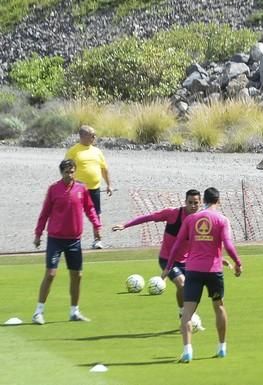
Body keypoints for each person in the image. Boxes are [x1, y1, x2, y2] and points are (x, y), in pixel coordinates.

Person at [163, 187, 242, 363]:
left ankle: (187, 351)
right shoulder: (222, 219)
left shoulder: (191, 219)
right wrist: (238, 263)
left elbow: (176, 245)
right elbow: (228, 245)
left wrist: (169, 265)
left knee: (187, 313)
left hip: (193, 271)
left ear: (203, 200)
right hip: (214, 271)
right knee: (219, 307)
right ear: (218, 201)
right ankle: (222, 348)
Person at [32, 159, 102, 325]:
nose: (69, 175)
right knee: (50, 274)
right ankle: (38, 312)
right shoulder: (54, 189)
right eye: (66, 172)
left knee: (77, 275)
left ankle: (74, 311)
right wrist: (38, 233)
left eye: (72, 172)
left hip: (74, 240)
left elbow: (90, 208)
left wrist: (97, 225)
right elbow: (45, 213)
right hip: (55, 239)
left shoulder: (81, 188)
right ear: (61, 172)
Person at [112, 189, 202, 317]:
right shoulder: (172, 213)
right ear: (185, 202)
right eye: (190, 202)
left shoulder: (201, 220)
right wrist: (125, 225)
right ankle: (183, 313)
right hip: (167, 259)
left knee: (193, 289)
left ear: (201, 203)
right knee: (182, 284)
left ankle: (191, 315)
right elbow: (148, 217)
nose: (193, 206)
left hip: (187, 261)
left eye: (196, 203)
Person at [65, 125, 112, 249]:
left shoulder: (97, 151)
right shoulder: (73, 151)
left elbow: (104, 169)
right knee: (75, 214)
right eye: (92, 135)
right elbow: (66, 169)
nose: (94, 137)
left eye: (94, 135)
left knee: (96, 214)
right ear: (83, 136)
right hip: (77, 189)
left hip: (94, 188)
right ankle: (72, 239)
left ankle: (98, 240)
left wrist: (109, 185)